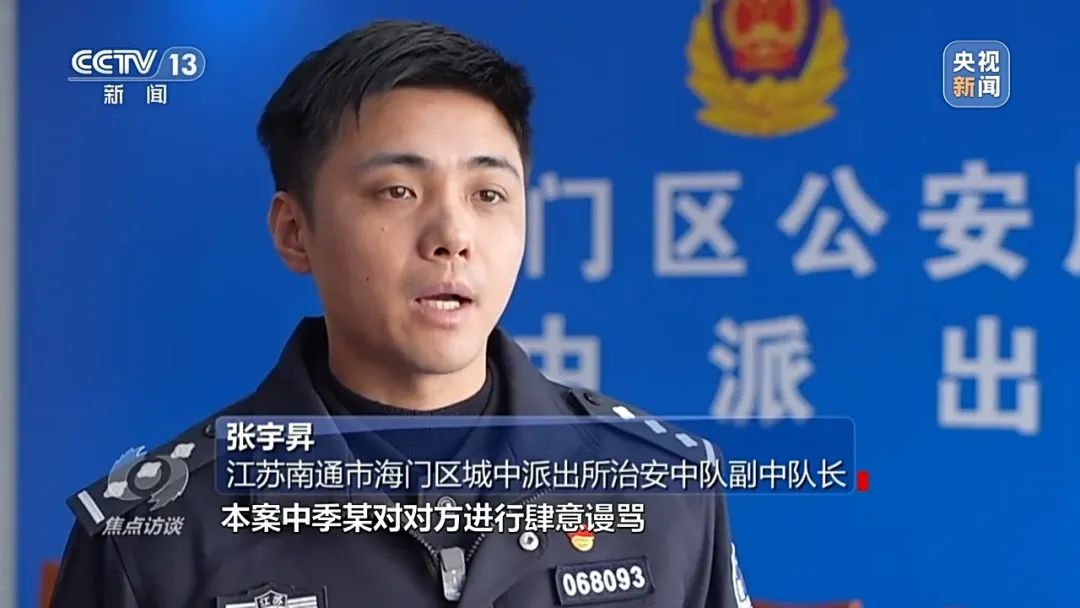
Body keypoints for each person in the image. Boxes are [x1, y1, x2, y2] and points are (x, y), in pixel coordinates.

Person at [50, 20, 754, 608]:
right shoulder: (149, 533)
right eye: (397, 191)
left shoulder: (666, 488)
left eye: (488, 194)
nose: (452, 235)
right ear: (295, 232)